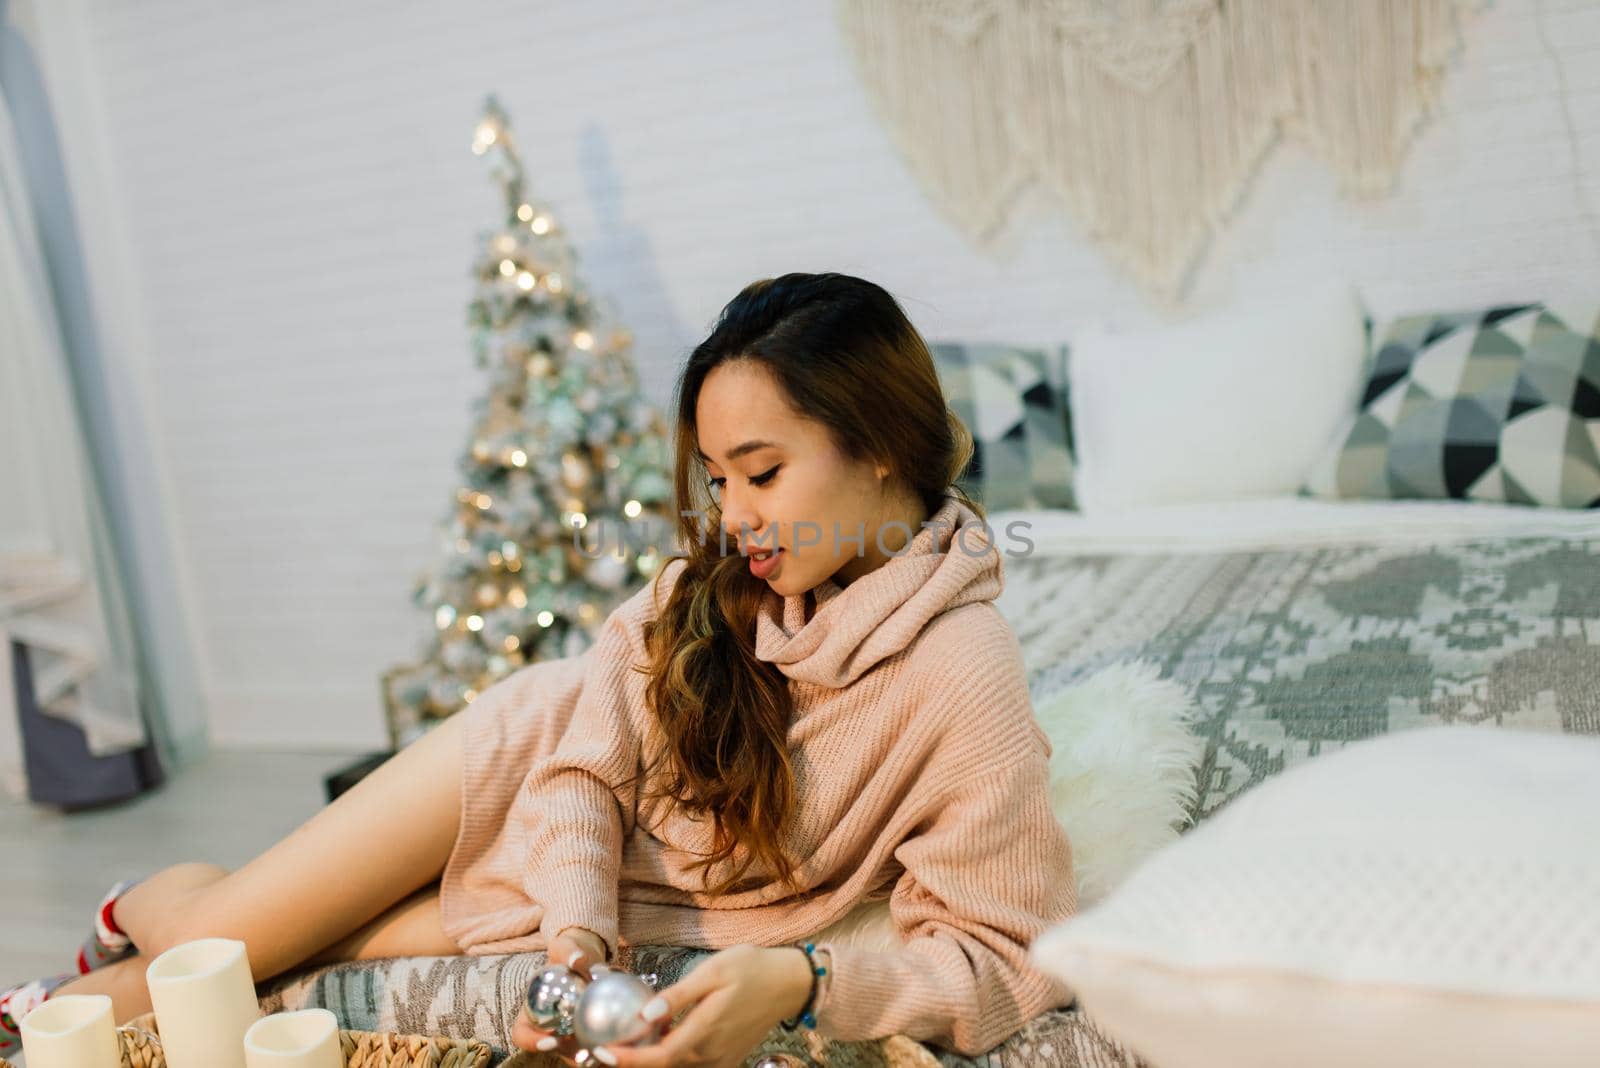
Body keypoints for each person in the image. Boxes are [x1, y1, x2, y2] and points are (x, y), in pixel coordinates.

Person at [0, 272, 1078, 1067]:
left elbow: (1003, 957)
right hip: (522, 762)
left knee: (282, 957)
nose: (732, 515)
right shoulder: (707, 587)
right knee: (204, 937)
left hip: (625, 879)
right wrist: (578, 937)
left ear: (880, 443)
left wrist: (805, 981)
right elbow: (579, 773)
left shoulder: (959, 674)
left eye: (761, 472)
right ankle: (126, 911)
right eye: (717, 477)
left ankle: (76, 980)